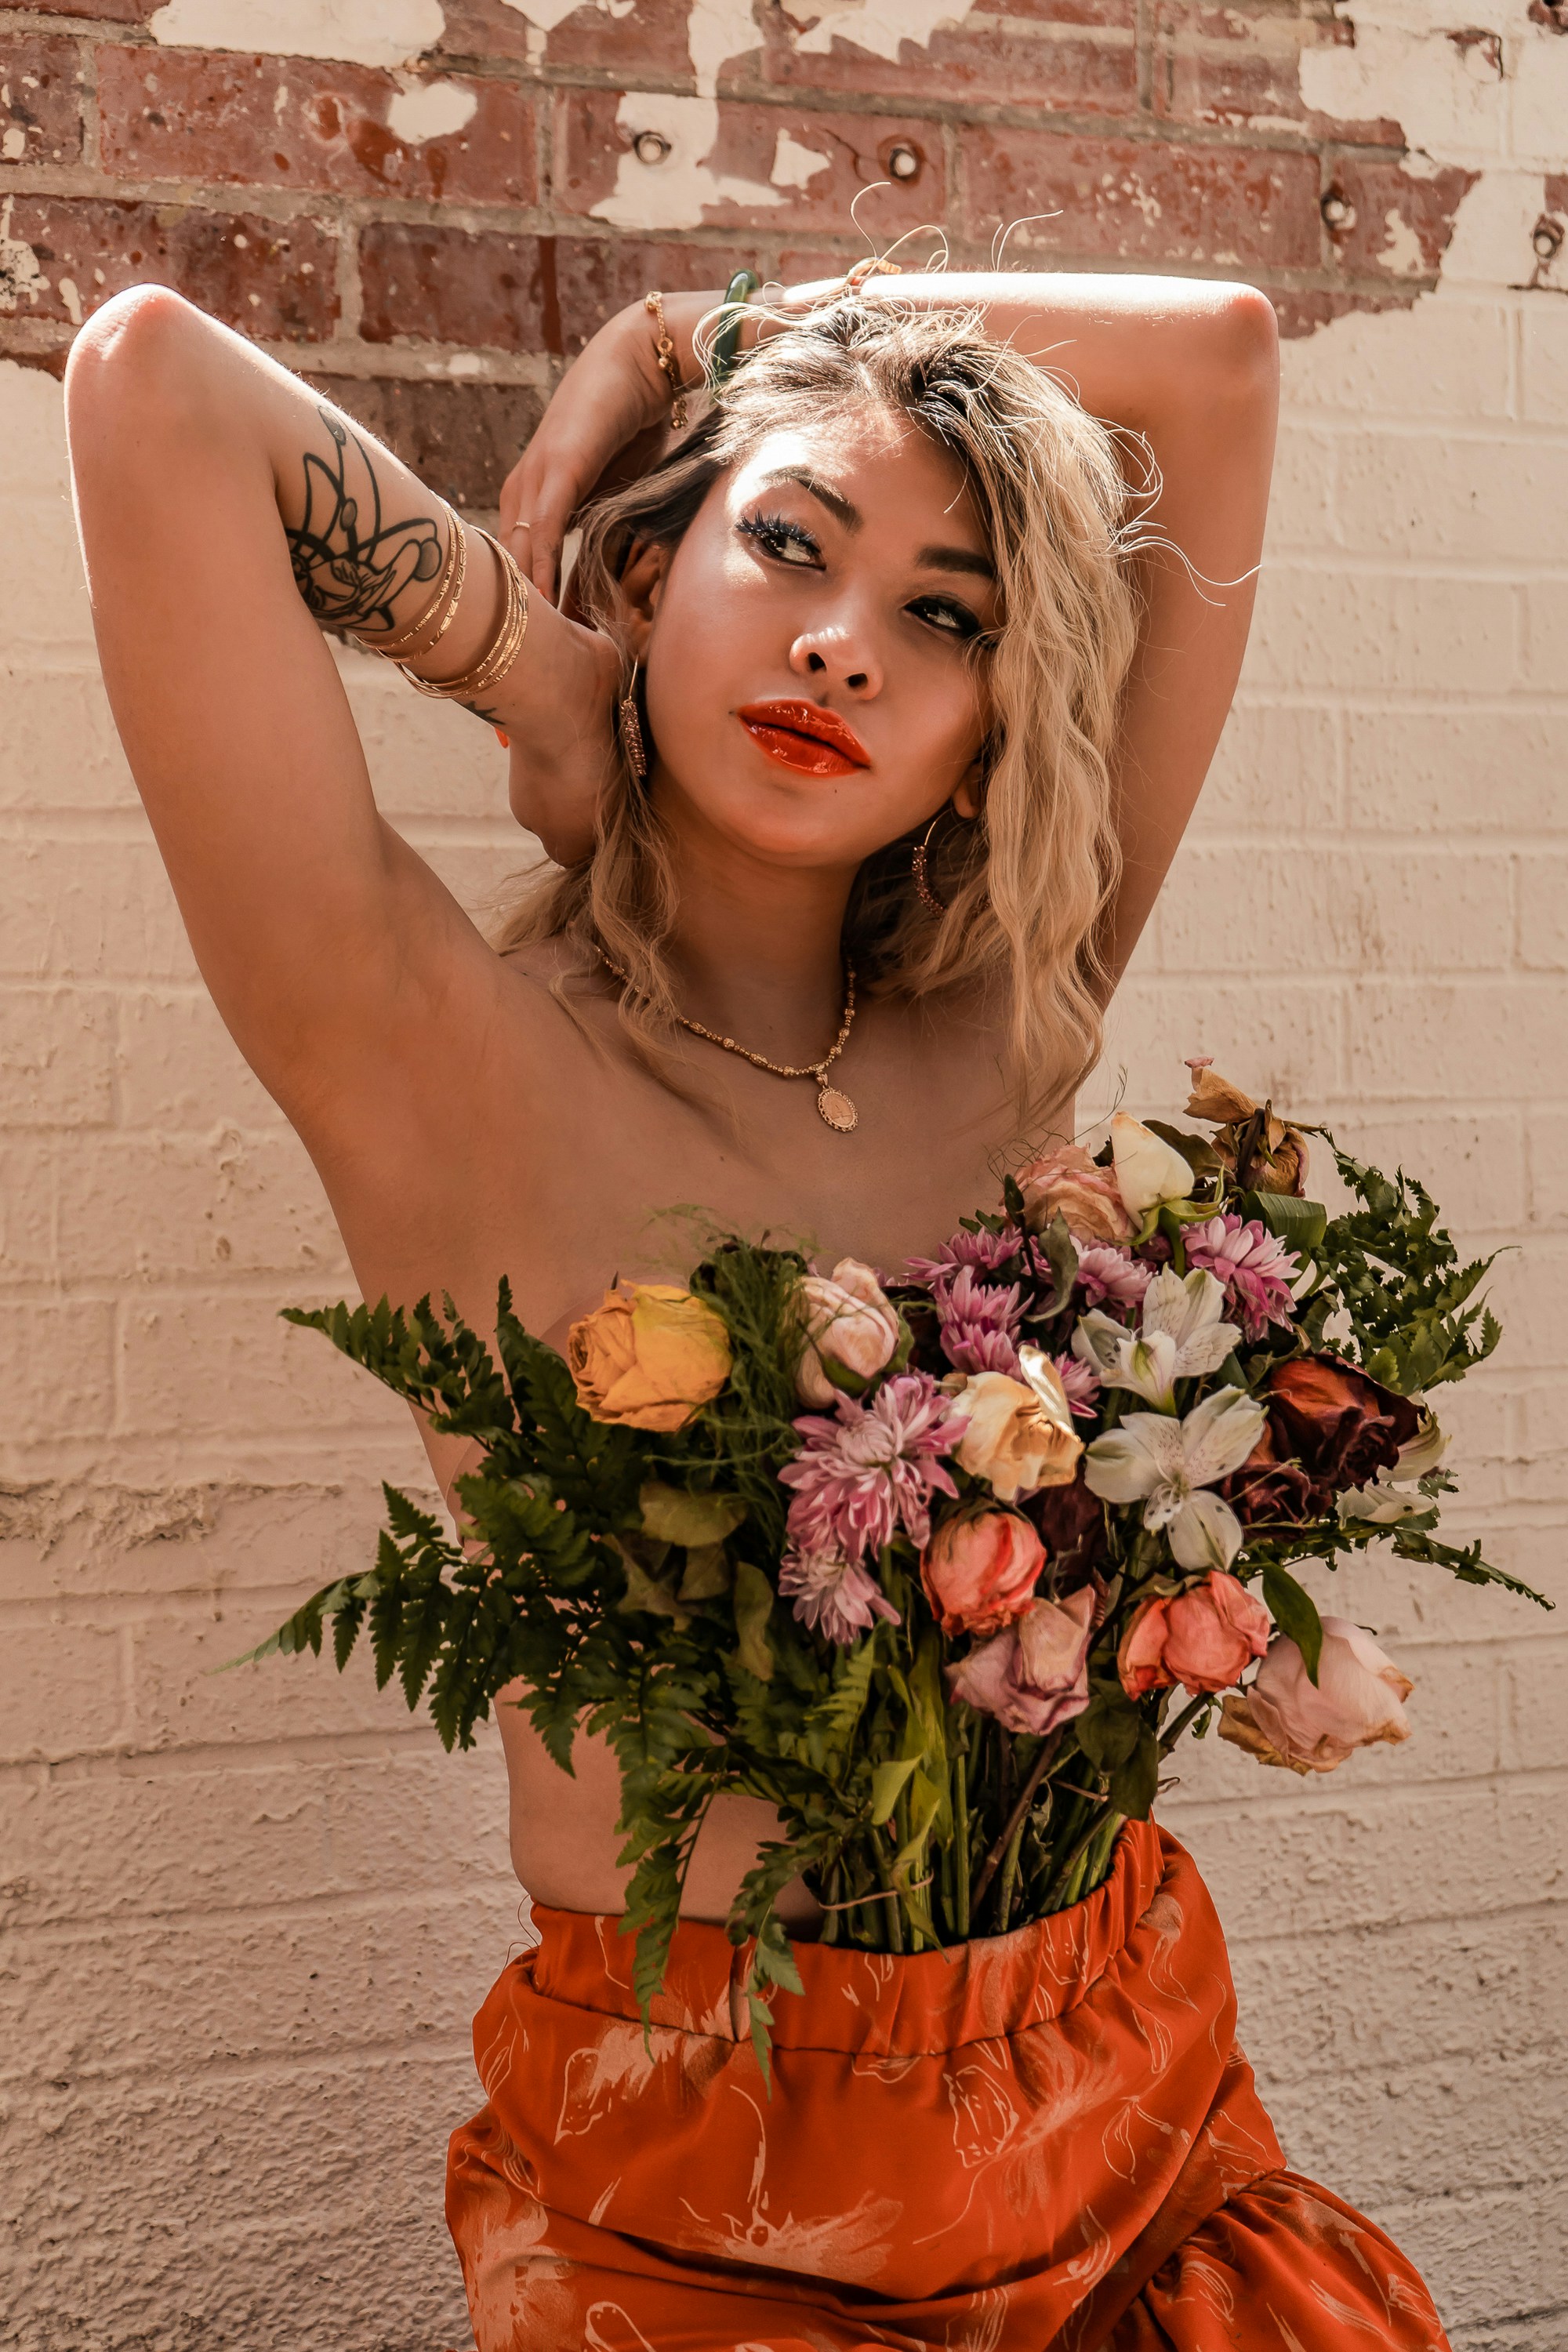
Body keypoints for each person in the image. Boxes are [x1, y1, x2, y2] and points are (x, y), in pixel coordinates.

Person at [66, 264, 1450, 2350]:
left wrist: (697, 325)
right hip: (722, 2200)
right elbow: (156, 387)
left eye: (945, 616)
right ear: (649, 575)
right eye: (788, 543)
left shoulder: (1006, 1033)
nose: (840, 644)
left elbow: (1224, 356)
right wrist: (526, 667)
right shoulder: (443, 1062)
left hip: (1132, 2100)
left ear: (993, 735)